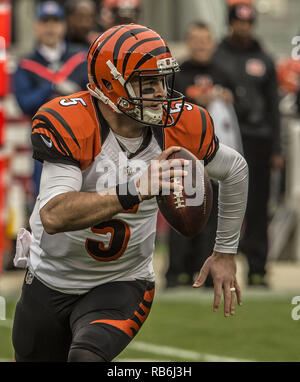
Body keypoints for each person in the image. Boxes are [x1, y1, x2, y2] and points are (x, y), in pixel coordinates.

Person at [12, 23, 248, 362]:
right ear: (111, 83)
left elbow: (236, 170)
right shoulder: (73, 121)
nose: (160, 93)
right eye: (146, 82)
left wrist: (225, 252)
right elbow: (53, 215)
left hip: (123, 282)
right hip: (50, 278)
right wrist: (134, 189)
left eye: (162, 80)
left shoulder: (181, 126)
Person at [165, 21, 243, 288]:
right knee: (180, 213)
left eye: (205, 39)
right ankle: (176, 273)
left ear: (212, 42)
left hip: (215, 155)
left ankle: (207, 275)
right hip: (183, 158)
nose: (200, 44)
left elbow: (239, 111)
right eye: (195, 39)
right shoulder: (177, 73)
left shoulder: (224, 72)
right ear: (188, 42)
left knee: (212, 215)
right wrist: (198, 101)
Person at [214, 2, 284, 287]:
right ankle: (214, 267)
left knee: (257, 208)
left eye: (248, 22)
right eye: (238, 22)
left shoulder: (264, 58)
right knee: (221, 206)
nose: (243, 27)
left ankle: (258, 269)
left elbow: (274, 108)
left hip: (258, 141)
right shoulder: (218, 57)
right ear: (230, 23)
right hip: (226, 140)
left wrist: (277, 149)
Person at [14, 1, 89, 197]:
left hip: (83, 138)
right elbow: (24, 103)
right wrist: (52, 86)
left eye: (55, 22)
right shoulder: (26, 64)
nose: (50, 28)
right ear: (35, 26)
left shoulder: (81, 57)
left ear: (64, 26)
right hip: (44, 142)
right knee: (46, 198)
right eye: (45, 22)